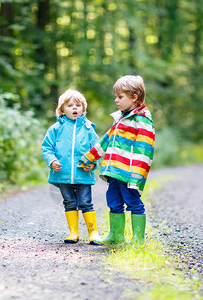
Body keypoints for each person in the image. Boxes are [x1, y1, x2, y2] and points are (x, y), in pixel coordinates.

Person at [80, 75, 155, 245]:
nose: (116, 100)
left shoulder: (141, 120)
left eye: (120, 97)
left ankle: (137, 239)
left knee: (133, 202)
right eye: (116, 96)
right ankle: (116, 235)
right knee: (113, 201)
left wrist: (137, 173)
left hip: (129, 172)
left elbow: (145, 149)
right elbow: (106, 140)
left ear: (134, 97)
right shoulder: (120, 119)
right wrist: (89, 158)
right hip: (114, 170)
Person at [41, 89, 101, 245]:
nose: (74, 108)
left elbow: (97, 149)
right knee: (69, 202)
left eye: (78, 105)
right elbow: (47, 147)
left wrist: (93, 164)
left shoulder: (88, 128)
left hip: (83, 174)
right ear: (61, 109)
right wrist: (52, 160)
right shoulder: (56, 128)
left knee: (86, 202)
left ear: (83, 109)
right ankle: (73, 232)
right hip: (63, 174)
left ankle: (93, 232)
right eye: (70, 105)